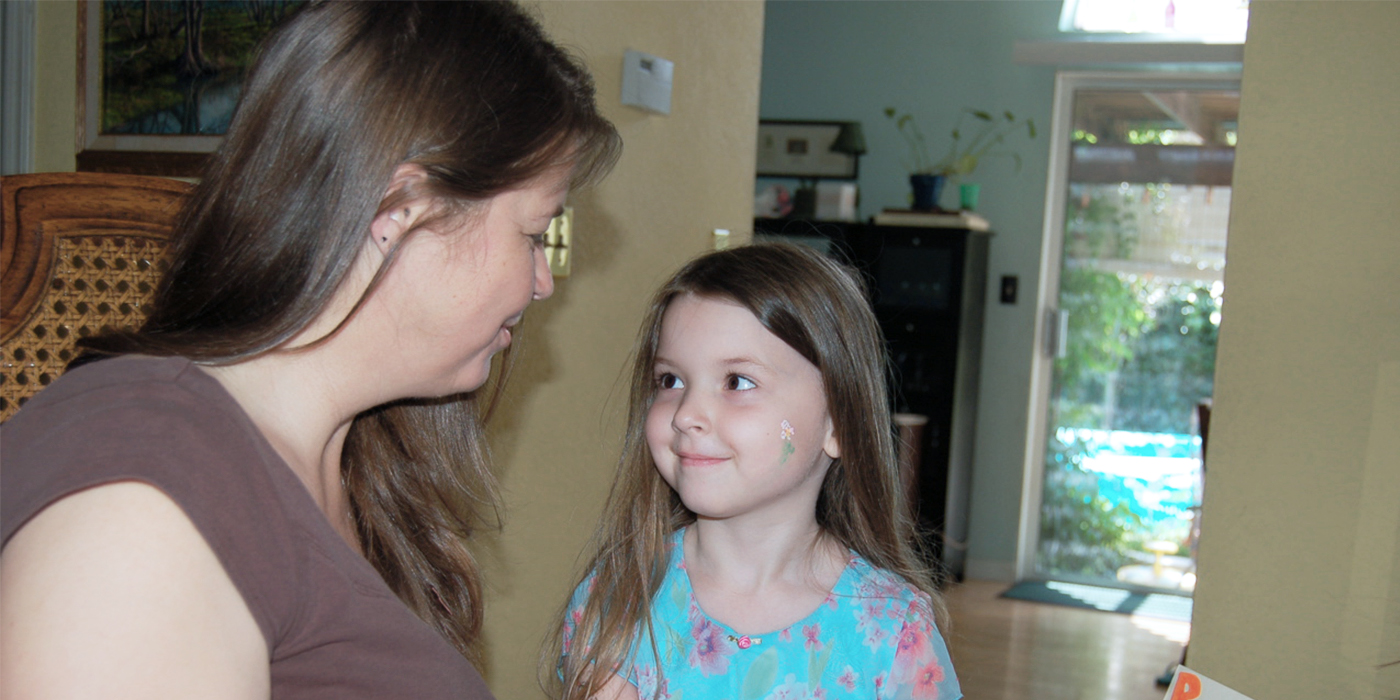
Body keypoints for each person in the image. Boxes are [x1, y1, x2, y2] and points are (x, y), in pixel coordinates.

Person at [0, 2, 619, 698]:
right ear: (399, 213)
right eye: (534, 234)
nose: (541, 283)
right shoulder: (142, 503)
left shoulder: (351, 463)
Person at [552, 244, 962, 700]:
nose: (687, 414)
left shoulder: (892, 632)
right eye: (670, 380)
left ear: (838, 424)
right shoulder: (621, 595)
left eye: (737, 382)